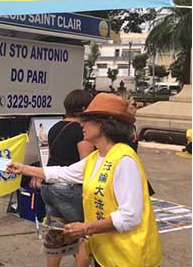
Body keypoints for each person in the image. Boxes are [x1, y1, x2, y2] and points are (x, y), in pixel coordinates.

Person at [8, 93, 162, 267]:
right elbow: (64, 173)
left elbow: (130, 217)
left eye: (86, 120)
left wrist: (85, 228)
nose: (81, 124)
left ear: (103, 125)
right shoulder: (96, 157)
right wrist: (24, 169)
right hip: (108, 253)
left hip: (131, 256)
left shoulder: (124, 160)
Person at [40, 90, 94, 267]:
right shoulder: (82, 130)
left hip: (49, 186)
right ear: (84, 107)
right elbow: (86, 164)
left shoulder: (55, 127)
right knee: (85, 235)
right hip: (69, 189)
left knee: (57, 234)